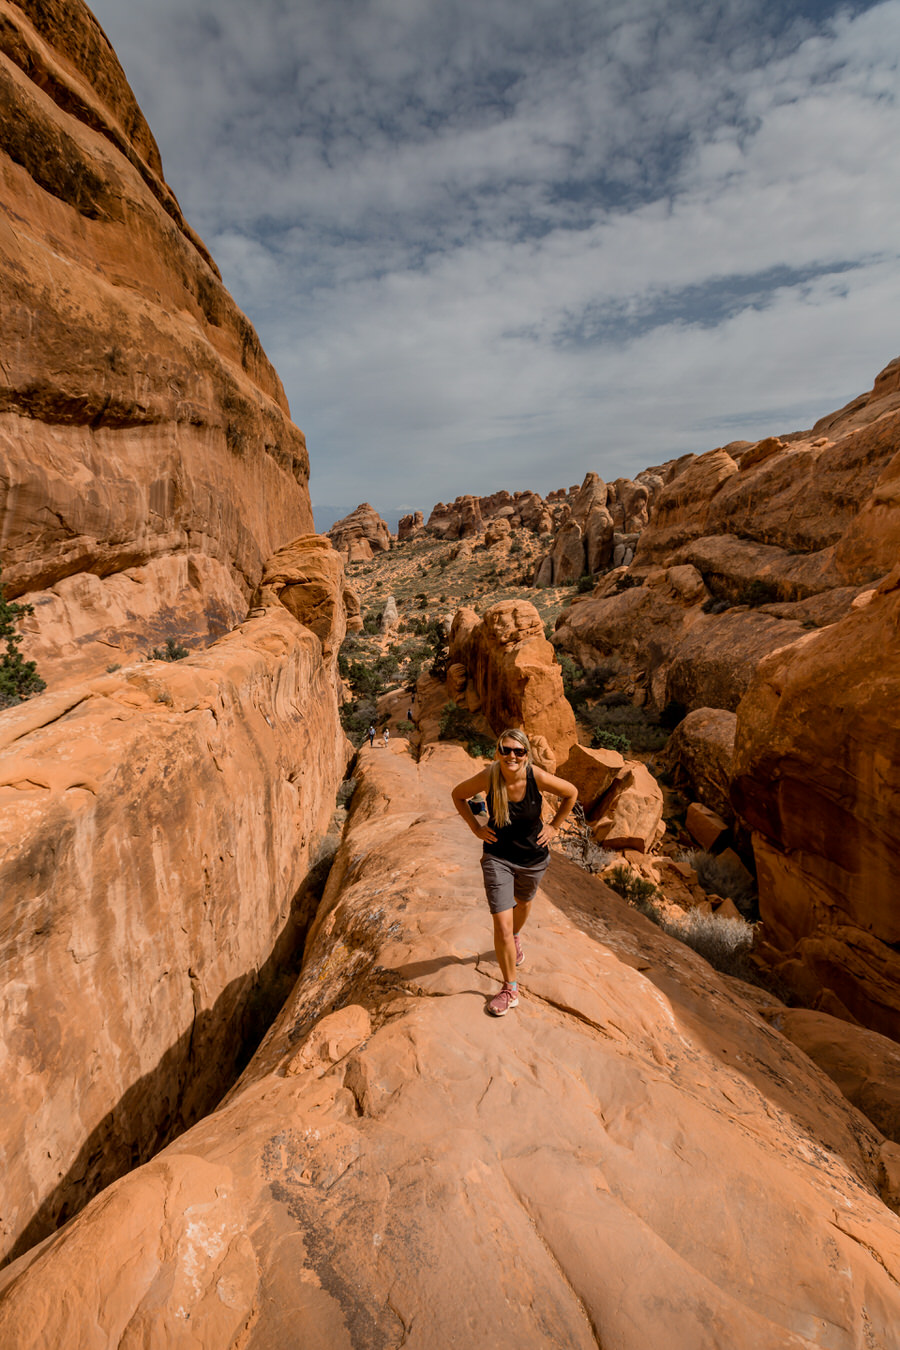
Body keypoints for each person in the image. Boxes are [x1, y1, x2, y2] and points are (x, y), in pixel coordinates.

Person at [451, 728, 577, 1016]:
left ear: (526, 755)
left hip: (533, 858)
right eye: (506, 750)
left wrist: (554, 826)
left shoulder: (536, 777)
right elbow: (458, 795)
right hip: (498, 857)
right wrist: (476, 827)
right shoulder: (489, 775)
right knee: (501, 925)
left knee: (523, 903)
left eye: (518, 751)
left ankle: (517, 935)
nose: (511, 756)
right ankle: (510, 988)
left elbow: (571, 793)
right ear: (497, 751)